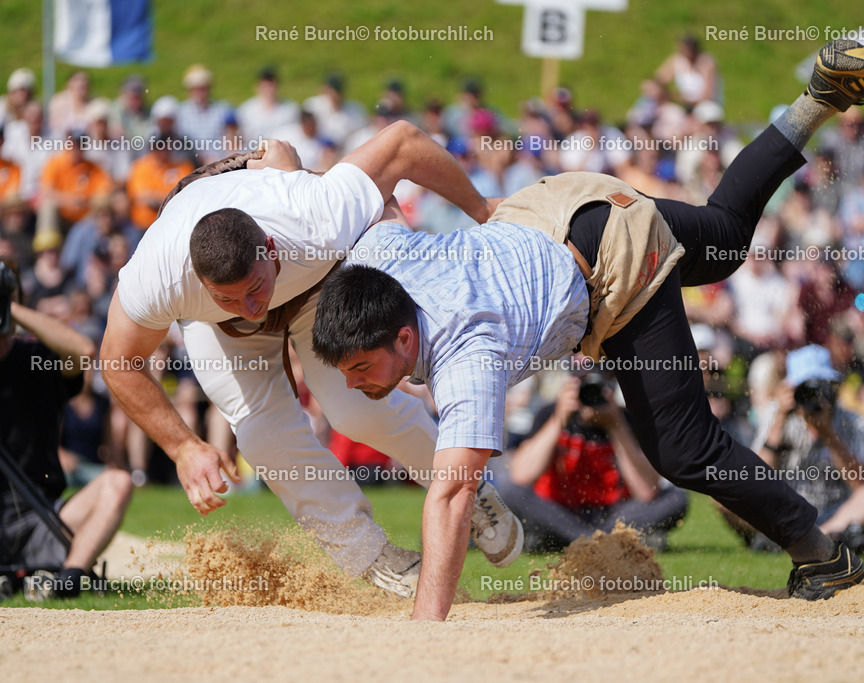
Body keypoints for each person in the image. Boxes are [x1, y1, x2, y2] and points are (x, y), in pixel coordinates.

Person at [311, 40, 864, 620]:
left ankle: (821, 553)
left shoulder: (466, 355)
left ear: (403, 340)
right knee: (721, 240)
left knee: (682, 449)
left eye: (362, 369)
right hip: (553, 207)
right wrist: (476, 208)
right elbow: (395, 147)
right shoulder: (377, 263)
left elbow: (451, 494)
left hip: (612, 264)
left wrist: (425, 629)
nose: (355, 383)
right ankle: (819, 97)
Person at [99, 121, 522, 599]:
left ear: (271, 249)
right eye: (231, 296)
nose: (254, 309)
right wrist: (183, 448)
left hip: (315, 283)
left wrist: (482, 208)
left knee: (356, 409)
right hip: (218, 325)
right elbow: (117, 361)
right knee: (262, 435)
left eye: (255, 289)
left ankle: (468, 487)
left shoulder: (313, 214)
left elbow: (403, 141)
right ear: (197, 280)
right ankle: (373, 558)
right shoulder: (157, 277)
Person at [0, 261, 132, 598]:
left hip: (45, 518)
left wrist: (9, 306)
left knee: (117, 482)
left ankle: (67, 579)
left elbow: (83, 351)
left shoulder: (37, 360)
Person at [497, 372, 689, 553]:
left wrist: (616, 425)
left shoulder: (626, 419)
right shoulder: (550, 413)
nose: (589, 392)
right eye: (582, 383)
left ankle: (564, 540)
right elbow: (521, 475)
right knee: (509, 491)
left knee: (675, 498)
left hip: (614, 515)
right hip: (561, 512)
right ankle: (610, 541)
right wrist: (559, 419)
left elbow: (647, 491)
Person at [756, 346, 864, 554]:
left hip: (839, 513)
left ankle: (812, 537)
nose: (815, 396)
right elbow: (757, 478)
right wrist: (779, 421)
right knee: (726, 491)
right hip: (785, 513)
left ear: (834, 386)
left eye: (821, 386)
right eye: (805, 388)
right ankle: (826, 538)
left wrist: (830, 436)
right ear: (790, 389)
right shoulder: (775, 414)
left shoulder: (856, 422)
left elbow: (861, 485)